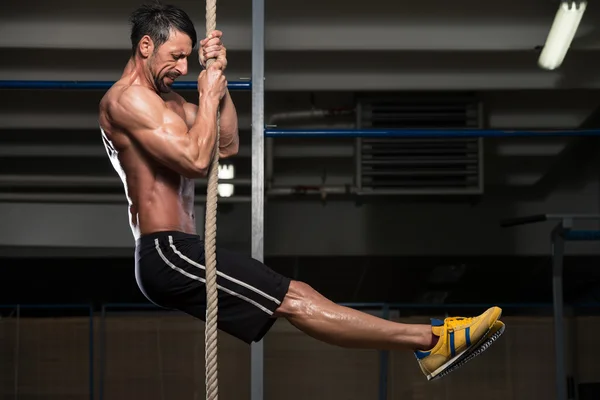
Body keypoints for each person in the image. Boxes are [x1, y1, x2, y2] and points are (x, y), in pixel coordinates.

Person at [98, 1, 505, 381]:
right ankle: (430, 341)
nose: (184, 68)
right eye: (177, 56)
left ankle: (428, 343)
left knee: (297, 295)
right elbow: (196, 161)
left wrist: (218, 79)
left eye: (190, 57)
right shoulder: (125, 100)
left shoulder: (168, 103)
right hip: (166, 252)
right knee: (294, 299)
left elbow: (226, 144)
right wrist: (207, 94)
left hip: (182, 248)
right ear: (146, 45)